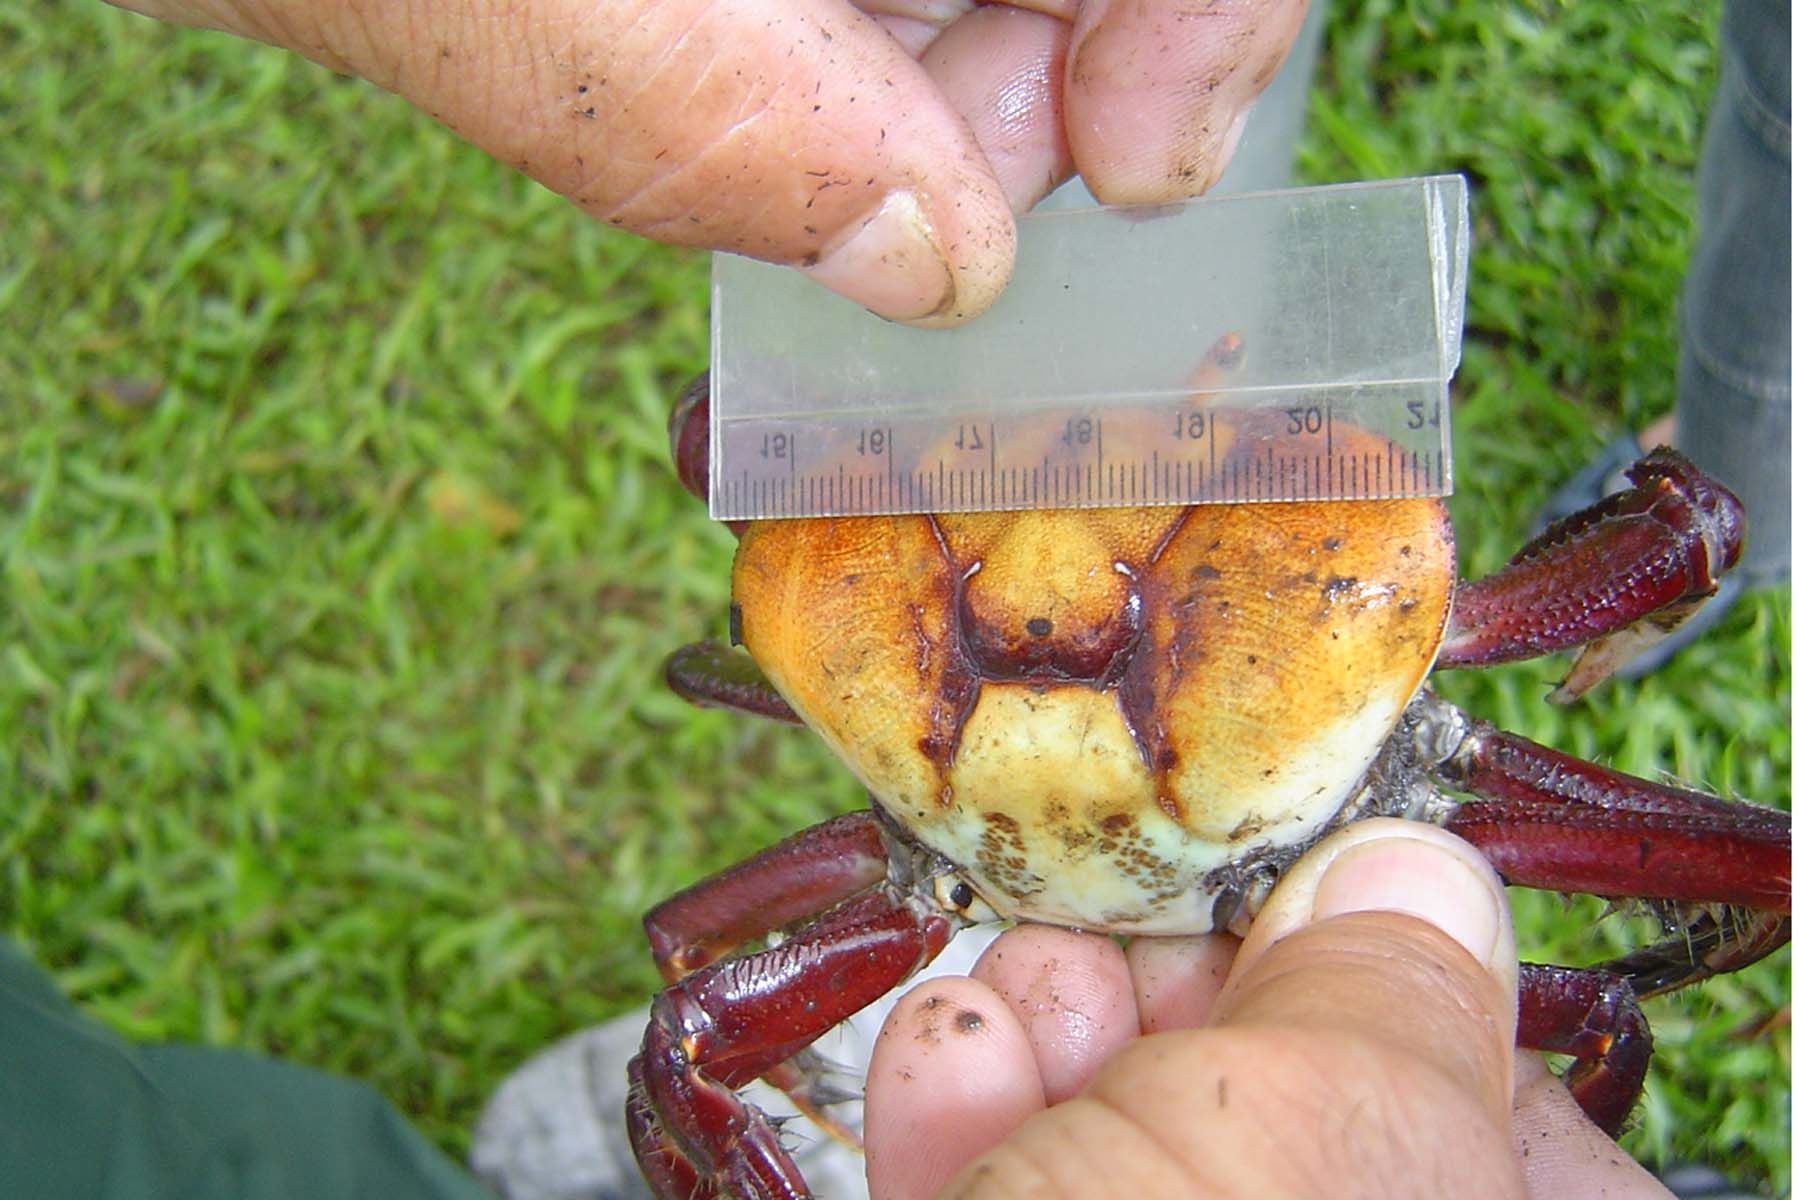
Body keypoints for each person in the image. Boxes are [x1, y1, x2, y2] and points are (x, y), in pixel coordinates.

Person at [10, 2, 1777, 1199]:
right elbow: (1689, 531)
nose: (1062, 567)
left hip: (931, 861)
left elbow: (693, 1023)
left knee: (692, 1039)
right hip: (1272, 830)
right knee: (1609, 990)